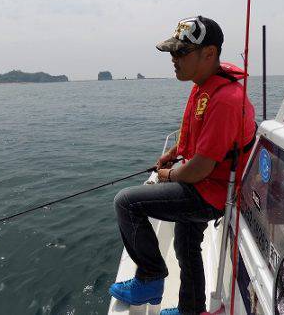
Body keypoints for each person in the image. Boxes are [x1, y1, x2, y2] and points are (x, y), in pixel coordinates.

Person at [109, 16, 256, 315]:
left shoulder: (226, 99)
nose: (173, 60)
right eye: (172, 53)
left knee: (126, 203)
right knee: (185, 245)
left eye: (180, 53)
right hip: (204, 183)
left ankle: (150, 278)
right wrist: (173, 153)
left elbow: (200, 168)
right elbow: (196, 137)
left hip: (212, 193)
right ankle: (191, 310)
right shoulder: (203, 83)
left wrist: (167, 175)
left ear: (210, 54)